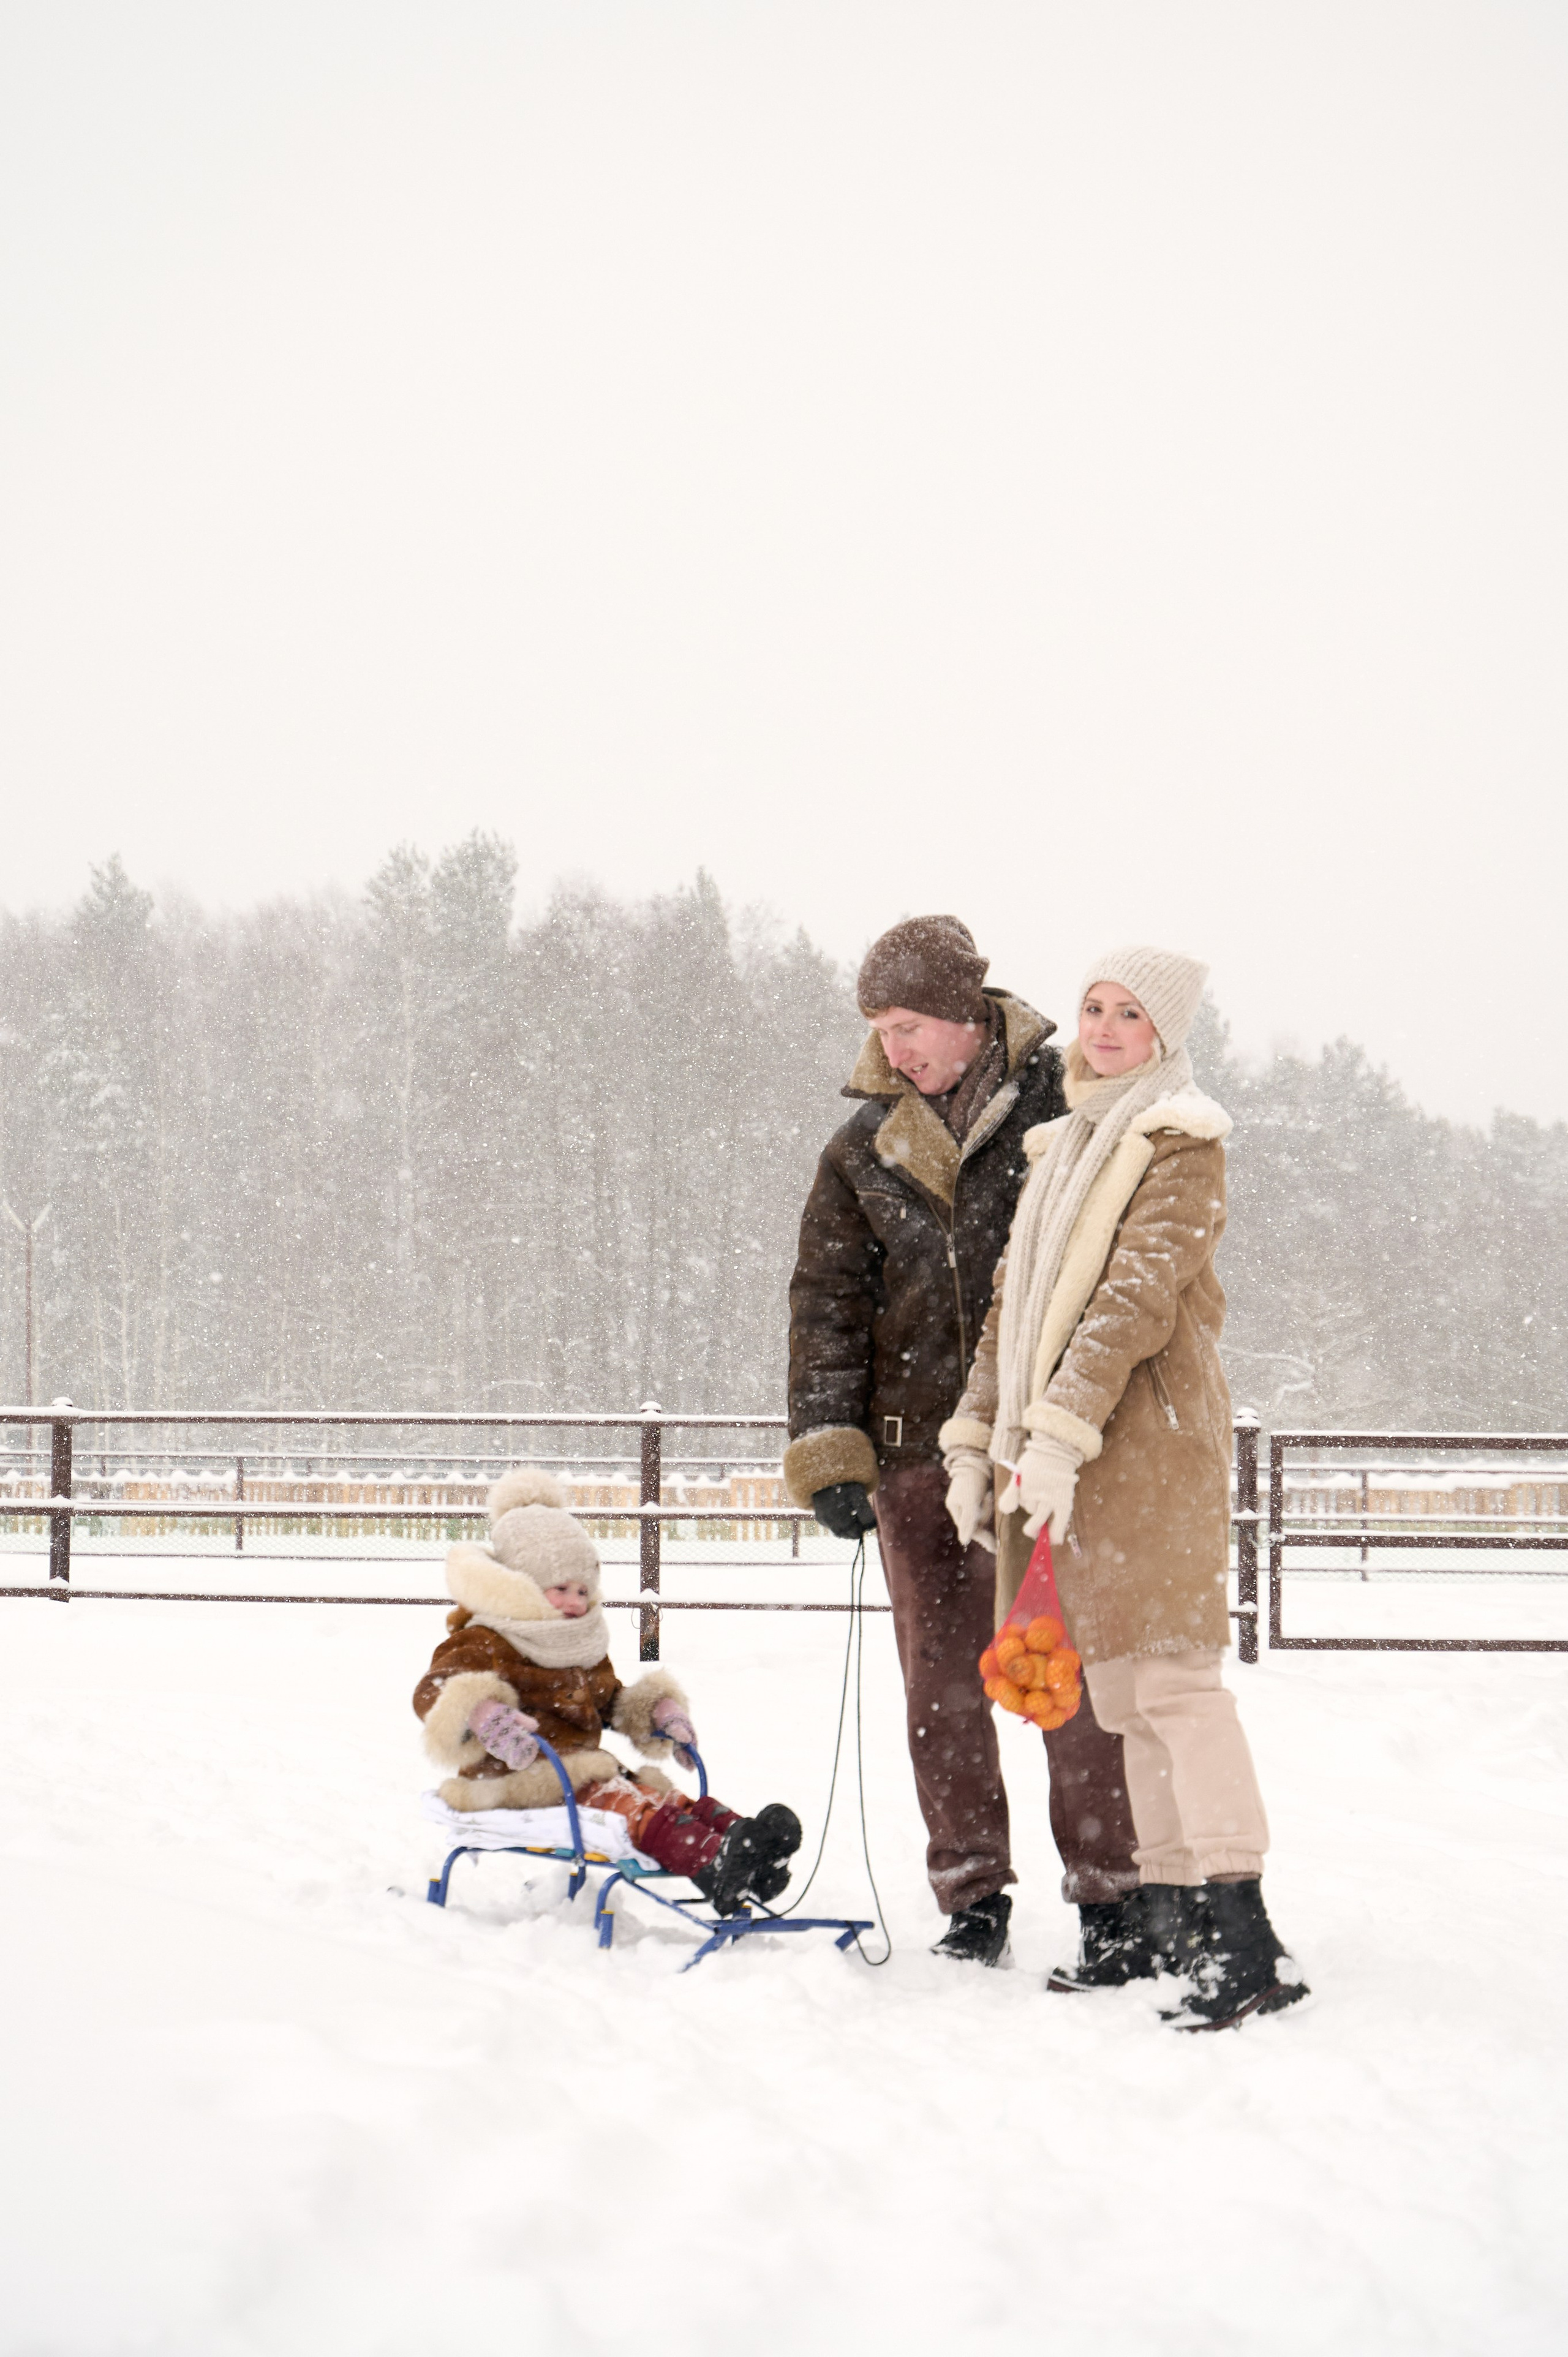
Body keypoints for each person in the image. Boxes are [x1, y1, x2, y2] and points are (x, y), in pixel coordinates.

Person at [942, 946, 1308, 2027]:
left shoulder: (1181, 1143)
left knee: (1179, 1690)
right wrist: (977, 1438)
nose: (1102, 1027)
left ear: (1167, 1034)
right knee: (1123, 1700)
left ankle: (1244, 1932)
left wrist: (1052, 1432)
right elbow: (1014, 1314)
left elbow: (1133, 1304)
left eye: (1129, 1013)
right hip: (1076, 1465)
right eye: (1094, 1007)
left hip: (1147, 1450)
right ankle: (1172, 1920)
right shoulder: (1061, 1151)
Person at [785, 913, 1142, 1966]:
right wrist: (829, 1444)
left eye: (907, 1025)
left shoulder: (1063, 1110)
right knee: (938, 1687)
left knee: (1061, 1678)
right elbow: (827, 1305)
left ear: (960, 1014)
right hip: (910, 1455)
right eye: (880, 1030)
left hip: (1033, 1451)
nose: (894, 1049)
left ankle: (1110, 1888)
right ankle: (971, 1893)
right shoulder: (861, 1149)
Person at [413, 1468, 802, 1915]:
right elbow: (432, 1691)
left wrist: (655, 1712)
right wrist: (479, 1713)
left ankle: (751, 1850)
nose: (576, 1602)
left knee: (664, 1800)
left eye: (583, 1589)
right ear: (520, 1585)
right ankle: (714, 1862)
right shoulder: (484, 1639)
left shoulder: (576, 1643)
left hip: (579, 1775)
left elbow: (608, 1700)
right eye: (561, 1589)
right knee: (628, 1810)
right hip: (512, 1781)